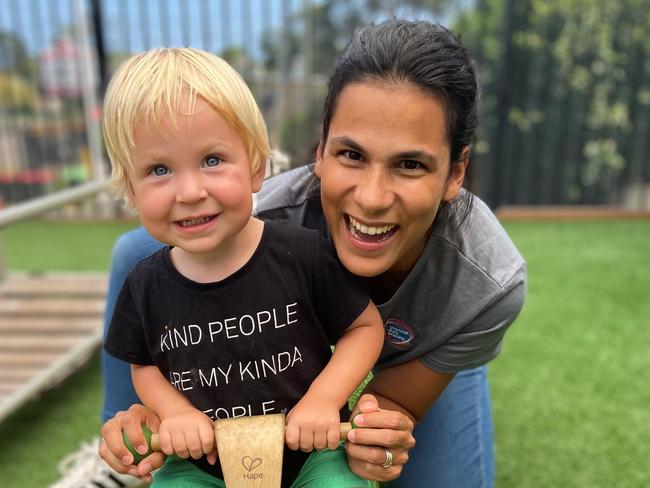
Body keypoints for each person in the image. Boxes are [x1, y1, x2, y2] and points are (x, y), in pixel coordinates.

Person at [54, 19, 526, 488]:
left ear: (455, 172)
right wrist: (156, 415)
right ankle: (112, 462)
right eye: (351, 155)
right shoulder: (265, 219)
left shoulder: (489, 284)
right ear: (319, 152)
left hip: (419, 353)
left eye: (410, 164)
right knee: (138, 249)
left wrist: (373, 436)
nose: (372, 198)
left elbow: (385, 411)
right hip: (274, 365)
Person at [99, 47, 384, 488]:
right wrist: (175, 412)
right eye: (159, 169)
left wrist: (324, 400)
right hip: (201, 463)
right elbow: (144, 364)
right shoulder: (144, 284)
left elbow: (365, 328)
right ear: (130, 189)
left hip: (310, 453)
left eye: (212, 160)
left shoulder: (301, 253)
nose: (190, 191)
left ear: (255, 168)